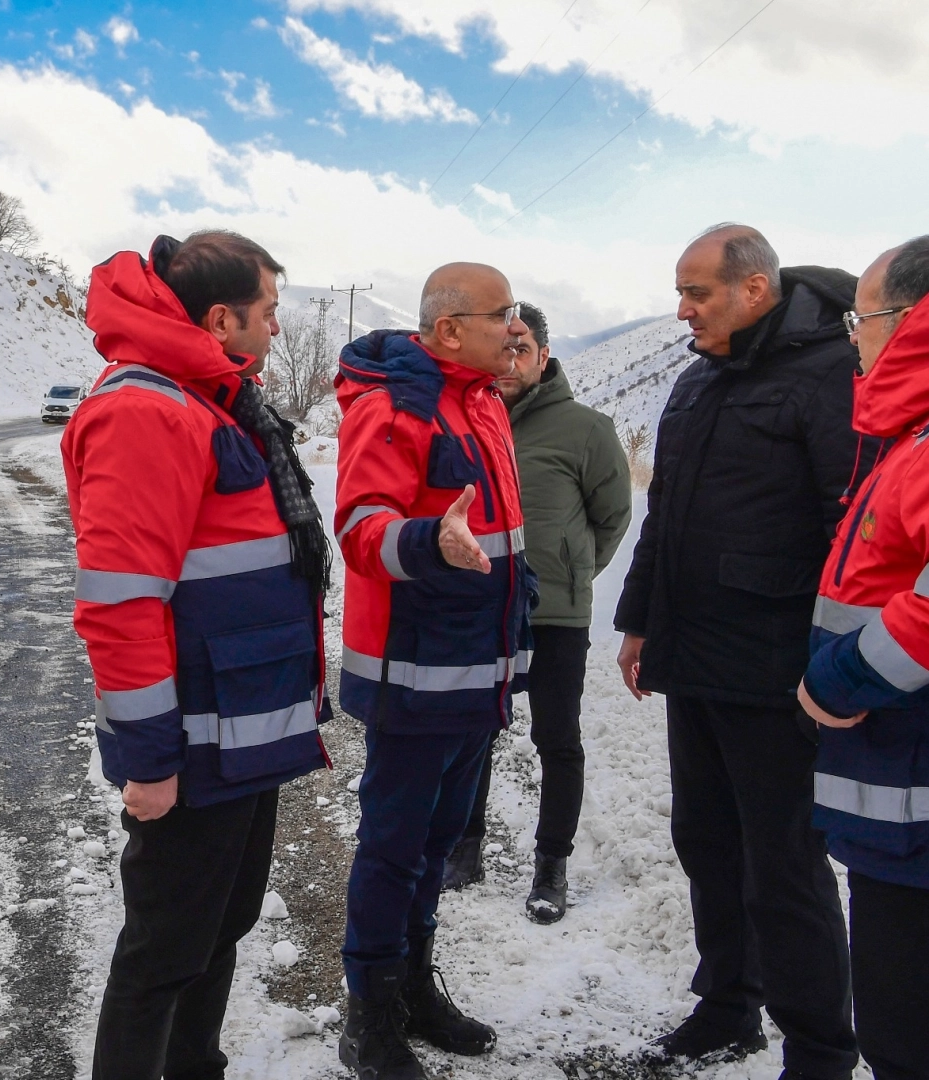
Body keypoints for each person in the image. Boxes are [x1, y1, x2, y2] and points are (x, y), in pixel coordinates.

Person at [65, 230, 333, 1080]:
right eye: (268, 311)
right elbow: (119, 605)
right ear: (220, 320)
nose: (277, 328)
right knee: (164, 949)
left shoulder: (212, 401)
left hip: (241, 725)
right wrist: (149, 761)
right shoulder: (146, 411)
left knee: (220, 925)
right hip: (194, 735)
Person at [613, 224, 861, 1077]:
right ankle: (727, 1006)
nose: (682, 310)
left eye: (697, 293)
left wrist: (835, 663)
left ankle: (819, 1050)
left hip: (775, 671)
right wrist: (639, 620)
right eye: (679, 293)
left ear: (752, 289)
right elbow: (663, 514)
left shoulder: (828, 374)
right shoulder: (695, 379)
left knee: (783, 868)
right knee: (706, 842)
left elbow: (848, 532)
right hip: (695, 658)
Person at [333, 263, 531, 1080]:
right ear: (449, 330)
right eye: (501, 314)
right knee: (393, 849)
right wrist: (424, 540)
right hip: (414, 678)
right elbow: (360, 528)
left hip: (476, 675)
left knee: (438, 843)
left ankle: (414, 988)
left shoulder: (481, 402)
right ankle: (369, 1016)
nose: (516, 328)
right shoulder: (392, 408)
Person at [444, 302, 631, 924]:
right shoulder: (468, 421)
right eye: (504, 345)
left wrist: (574, 572)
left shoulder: (587, 429)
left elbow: (612, 517)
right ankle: (464, 847)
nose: (511, 358)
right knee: (473, 732)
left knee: (556, 737)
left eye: (523, 347)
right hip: (483, 607)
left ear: (544, 356)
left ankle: (552, 864)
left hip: (555, 613)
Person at [798, 235, 929, 1080]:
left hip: (914, 807)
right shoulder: (906, 440)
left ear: (911, 319)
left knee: (902, 1037)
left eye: (864, 317)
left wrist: (837, 677)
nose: (855, 337)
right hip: (898, 797)